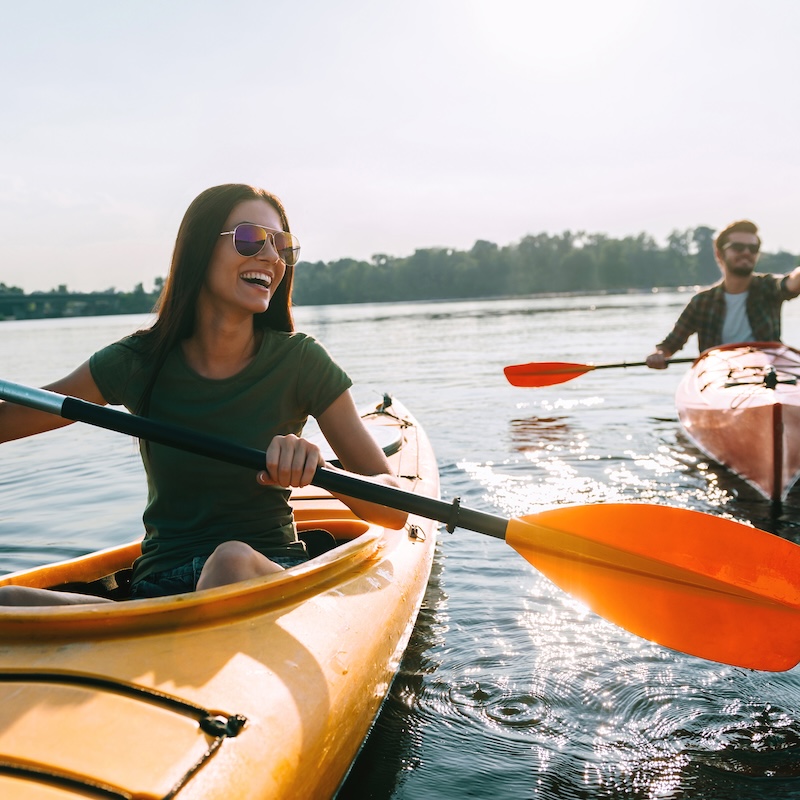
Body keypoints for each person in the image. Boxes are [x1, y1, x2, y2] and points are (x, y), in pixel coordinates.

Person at [0, 183, 407, 605]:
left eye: (282, 246)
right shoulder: (138, 361)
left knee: (228, 561)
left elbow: (393, 509)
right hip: (156, 590)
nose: (271, 256)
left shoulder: (301, 362)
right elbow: (11, 418)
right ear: (199, 250)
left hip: (265, 574)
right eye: (251, 239)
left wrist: (320, 471)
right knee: (6, 601)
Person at [645, 220, 800, 369]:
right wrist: (658, 354)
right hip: (719, 375)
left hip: (768, 371)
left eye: (753, 248)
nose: (746, 252)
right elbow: (670, 345)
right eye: (738, 247)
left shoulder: (768, 287)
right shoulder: (702, 301)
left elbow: (792, 283)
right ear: (719, 254)